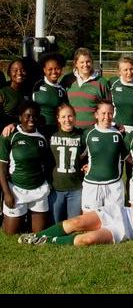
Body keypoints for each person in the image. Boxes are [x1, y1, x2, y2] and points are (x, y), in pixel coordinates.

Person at [0, 101, 51, 234]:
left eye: (34, 116)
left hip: (38, 189)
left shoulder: (42, 136)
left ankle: (28, 216)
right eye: (27, 116)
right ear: (20, 117)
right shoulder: (9, 136)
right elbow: (2, 168)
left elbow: (47, 163)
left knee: (38, 233)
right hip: (16, 189)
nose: (31, 120)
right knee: (10, 233)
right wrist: (7, 194)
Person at [81, 100, 128, 211]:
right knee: (90, 221)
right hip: (92, 185)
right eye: (103, 113)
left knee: (114, 222)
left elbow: (127, 156)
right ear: (96, 115)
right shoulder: (88, 134)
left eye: (110, 113)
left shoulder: (119, 134)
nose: (107, 117)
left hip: (114, 185)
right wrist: (82, 165)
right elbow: (79, 155)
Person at [48, 103, 86, 223]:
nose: (67, 120)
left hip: (76, 188)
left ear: (75, 117)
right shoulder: (50, 134)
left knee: (73, 225)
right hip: (56, 187)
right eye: (63, 117)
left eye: (70, 116)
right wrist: (13, 125)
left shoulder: (81, 136)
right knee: (54, 223)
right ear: (58, 119)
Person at [65, 48, 110, 129]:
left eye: (88, 62)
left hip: (93, 131)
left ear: (92, 63)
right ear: (75, 63)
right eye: (82, 62)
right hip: (72, 130)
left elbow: (109, 106)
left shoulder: (101, 82)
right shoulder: (67, 79)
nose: (85, 65)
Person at [32, 52, 68, 136]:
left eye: (57, 68)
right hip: (36, 130)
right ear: (44, 70)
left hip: (54, 132)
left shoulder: (62, 90)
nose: (54, 72)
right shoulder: (36, 86)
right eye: (50, 69)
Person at [109, 57, 133, 133]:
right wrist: (113, 124)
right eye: (125, 70)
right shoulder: (113, 83)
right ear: (119, 72)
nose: (129, 72)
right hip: (117, 128)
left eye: (131, 69)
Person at [0, 59, 28, 131]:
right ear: (9, 73)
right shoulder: (3, 92)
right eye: (15, 70)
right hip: (6, 132)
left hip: (24, 132)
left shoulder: (29, 92)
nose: (19, 73)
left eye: (23, 70)